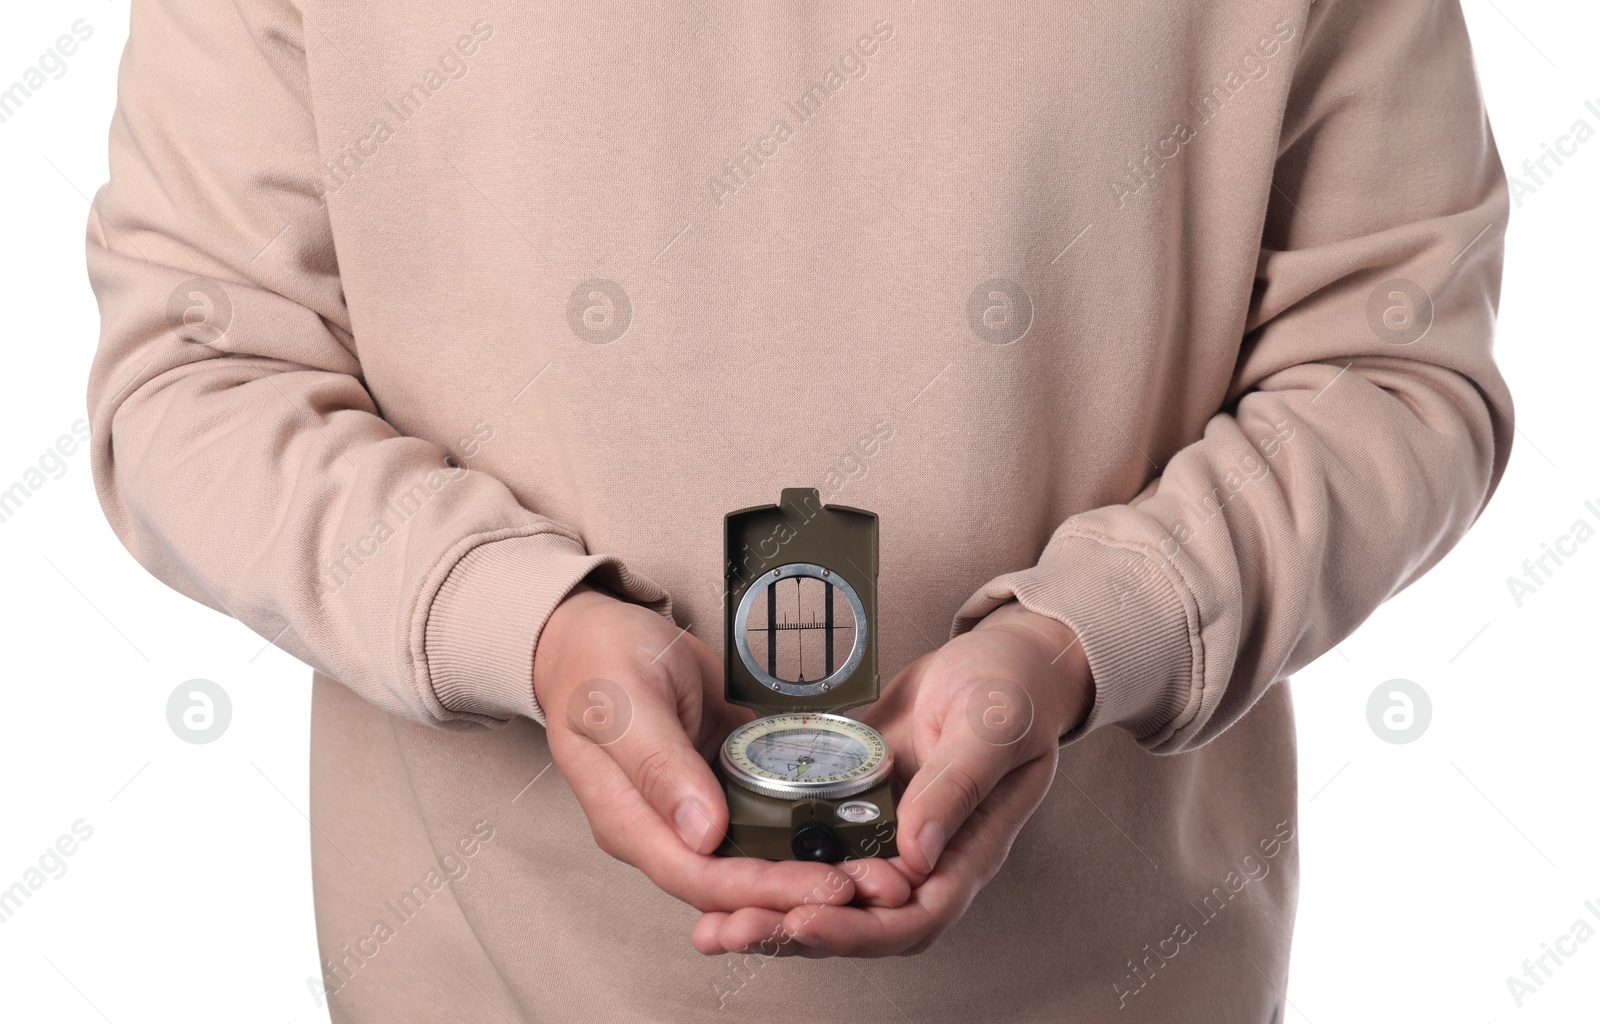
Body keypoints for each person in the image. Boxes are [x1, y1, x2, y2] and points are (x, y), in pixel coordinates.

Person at [85, 0, 1511, 1020]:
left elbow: (1390, 366)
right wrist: (518, 626)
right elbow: (197, 371)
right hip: (483, 980)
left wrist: (1094, 634)